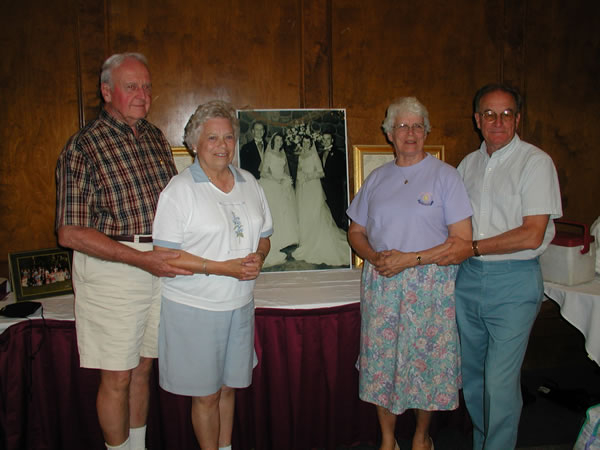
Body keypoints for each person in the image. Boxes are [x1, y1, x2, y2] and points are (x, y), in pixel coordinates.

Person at [55, 53, 191, 450]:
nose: (142, 95)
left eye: (146, 87)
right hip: (113, 270)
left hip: (159, 264)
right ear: (106, 91)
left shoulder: (154, 137)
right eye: (131, 87)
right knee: (117, 375)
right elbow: (69, 233)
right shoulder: (83, 147)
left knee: (144, 368)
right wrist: (141, 259)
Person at [435, 84, 562, 449]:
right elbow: (451, 224)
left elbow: (532, 235)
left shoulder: (535, 163)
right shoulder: (467, 165)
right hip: (469, 280)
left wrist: (472, 248)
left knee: (500, 383)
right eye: (489, 114)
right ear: (477, 120)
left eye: (507, 114)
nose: (498, 121)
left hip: (514, 282)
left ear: (517, 119)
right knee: (474, 379)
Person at [346, 97, 473, 450]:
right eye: (402, 126)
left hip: (430, 287)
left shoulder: (446, 176)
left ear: (427, 131)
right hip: (383, 283)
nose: (410, 132)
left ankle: (421, 436)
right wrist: (375, 257)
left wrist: (410, 260)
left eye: (418, 125)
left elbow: (462, 242)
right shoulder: (377, 178)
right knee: (382, 363)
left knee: (424, 364)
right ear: (389, 133)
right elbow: (356, 232)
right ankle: (388, 439)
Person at [152, 100, 272, 450]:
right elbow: (165, 255)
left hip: (239, 304)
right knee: (205, 395)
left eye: (229, 137)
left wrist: (259, 257)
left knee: (227, 388)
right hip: (196, 308)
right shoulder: (179, 190)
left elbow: (264, 236)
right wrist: (223, 268)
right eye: (212, 138)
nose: (223, 146)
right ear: (194, 143)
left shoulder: (250, 183)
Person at [292, 135, 350, 266]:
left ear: (311, 144)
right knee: (305, 213)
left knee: (315, 213)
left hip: (313, 187)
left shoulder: (314, 155)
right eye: (304, 142)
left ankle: (316, 240)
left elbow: (321, 172)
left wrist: (309, 176)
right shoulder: (301, 156)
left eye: (308, 142)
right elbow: (299, 171)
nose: (306, 144)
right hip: (304, 188)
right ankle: (306, 240)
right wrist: (300, 178)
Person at [258, 131, 299, 267]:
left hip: (282, 183)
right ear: (273, 141)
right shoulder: (269, 154)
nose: (279, 143)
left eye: (281, 141)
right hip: (272, 183)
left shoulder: (282, 154)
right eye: (277, 140)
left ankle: (287, 240)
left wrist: (285, 179)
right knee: (275, 211)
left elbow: (285, 170)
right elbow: (264, 172)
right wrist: (277, 180)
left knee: (286, 211)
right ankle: (276, 240)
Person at [319, 132, 349, 230]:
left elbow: (342, 171)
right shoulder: (320, 154)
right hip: (323, 187)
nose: (325, 141)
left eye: (328, 139)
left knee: (335, 211)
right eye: (324, 139)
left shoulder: (339, 154)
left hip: (335, 188)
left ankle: (336, 229)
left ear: (332, 140)